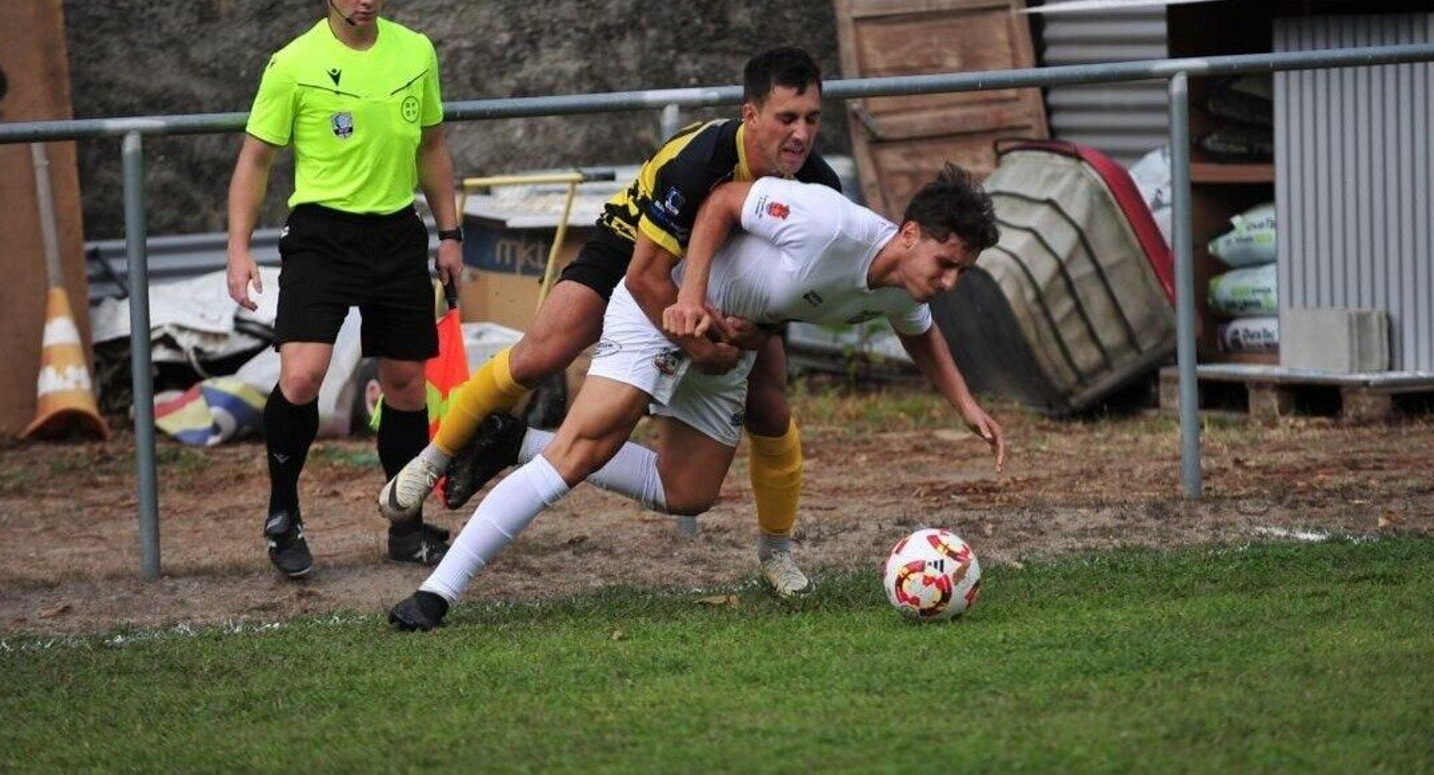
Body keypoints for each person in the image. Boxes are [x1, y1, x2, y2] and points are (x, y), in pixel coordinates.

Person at [385, 165, 1007, 630]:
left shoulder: (906, 288)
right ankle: (437, 594)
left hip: (727, 344)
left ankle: (515, 439)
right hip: (665, 304)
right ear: (910, 233)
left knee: (688, 493)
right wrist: (690, 299)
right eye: (946, 263)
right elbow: (721, 203)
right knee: (581, 454)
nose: (949, 282)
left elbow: (921, 337)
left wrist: (966, 407)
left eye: (960, 272)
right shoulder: (828, 220)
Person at [379, 47, 840, 596]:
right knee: (541, 355)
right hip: (633, 252)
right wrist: (695, 346)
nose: (801, 134)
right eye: (787, 118)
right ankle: (435, 457)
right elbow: (647, 279)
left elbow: (794, 288)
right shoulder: (699, 161)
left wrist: (757, 333)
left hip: (721, 280)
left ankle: (777, 553)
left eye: (812, 119)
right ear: (750, 116)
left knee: (770, 409)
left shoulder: (819, 190)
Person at [226, 0, 462, 578]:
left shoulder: (415, 52)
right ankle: (283, 514)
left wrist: (450, 234)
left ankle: (406, 525)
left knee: (407, 384)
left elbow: (434, 148)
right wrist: (237, 251)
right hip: (322, 237)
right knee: (301, 375)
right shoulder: (292, 64)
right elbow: (254, 161)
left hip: (396, 233)